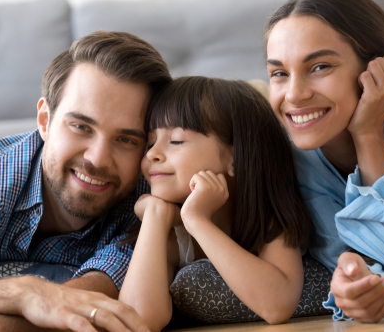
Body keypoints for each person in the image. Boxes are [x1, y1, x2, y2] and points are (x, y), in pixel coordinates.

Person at [0, 30, 171, 331]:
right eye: (81, 126)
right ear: (45, 121)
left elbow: (103, 292)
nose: (97, 159)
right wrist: (21, 293)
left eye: (126, 139)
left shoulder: (147, 197)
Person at [264, 0, 384, 323]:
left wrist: (368, 134)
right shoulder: (291, 168)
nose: (294, 94)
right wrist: (364, 291)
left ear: (377, 70)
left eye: (320, 67)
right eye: (279, 73)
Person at [118, 76, 314, 331]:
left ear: (234, 156)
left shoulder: (269, 216)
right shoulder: (170, 233)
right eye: (152, 140)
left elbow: (277, 305)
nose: (151, 154)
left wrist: (198, 221)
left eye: (176, 141)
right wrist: (155, 215)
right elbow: (138, 320)